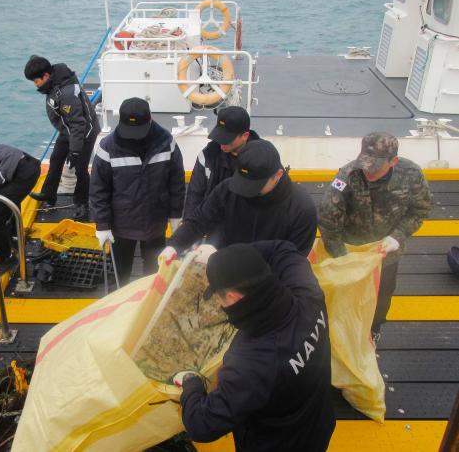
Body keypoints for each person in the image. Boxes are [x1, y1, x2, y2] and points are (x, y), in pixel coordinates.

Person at [174, 241, 335, 451]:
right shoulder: (308, 293)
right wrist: (223, 257)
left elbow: (201, 424)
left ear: (231, 297)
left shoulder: (252, 361)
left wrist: (191, 384)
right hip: (318, 423)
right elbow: (283, 249)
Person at [318, 132, 432, 338]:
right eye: (365, 164)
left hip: (386, 252)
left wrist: (398, 236)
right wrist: (341, 256)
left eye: (376, 166)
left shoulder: (412, 174)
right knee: (344, 293)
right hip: (349, 251)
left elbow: (421, 209)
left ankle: (373, 330)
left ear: (393, 161)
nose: (368, 172)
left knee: (382, 294)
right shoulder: (347, 176)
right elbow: (328, 218)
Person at [162, 139, 317, 260]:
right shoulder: (227, 189)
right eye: (243, 182)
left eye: (255, 185)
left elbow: (291, 260)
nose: (247, 191)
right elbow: (199, 221)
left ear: (278, 175)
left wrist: (226, 258)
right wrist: (174, 245)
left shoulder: (302, 208)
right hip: (224, 279)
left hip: (270, 287)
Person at [89, 97, 185, 283]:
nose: (133, 135)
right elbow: (98, 190)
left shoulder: (167, 142)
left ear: (150, 120)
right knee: (121, 272)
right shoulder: (107, 147)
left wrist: (175, 214)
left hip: (155, 222)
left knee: (154, 273)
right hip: (121, 225)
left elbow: (177, 182)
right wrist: (102, 225)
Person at [24, 55, 99, 219]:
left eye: (36, 81)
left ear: (46, 76)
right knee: (56, 159)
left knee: (80, 169)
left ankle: (82, 203)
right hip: (67, 129)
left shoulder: (66, 93)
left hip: (85, 132)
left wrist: (75, 151)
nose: (36, 85)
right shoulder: (53, 82)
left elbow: (79, 123)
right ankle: (48, 194)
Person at [184, 106, 260, 218]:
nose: (222, 143)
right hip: (215, 225)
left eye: (228, 138)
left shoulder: (263, 157)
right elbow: (195, 195)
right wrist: (188, 225)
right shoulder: (208, 156)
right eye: (220, 135)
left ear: (245, 136)